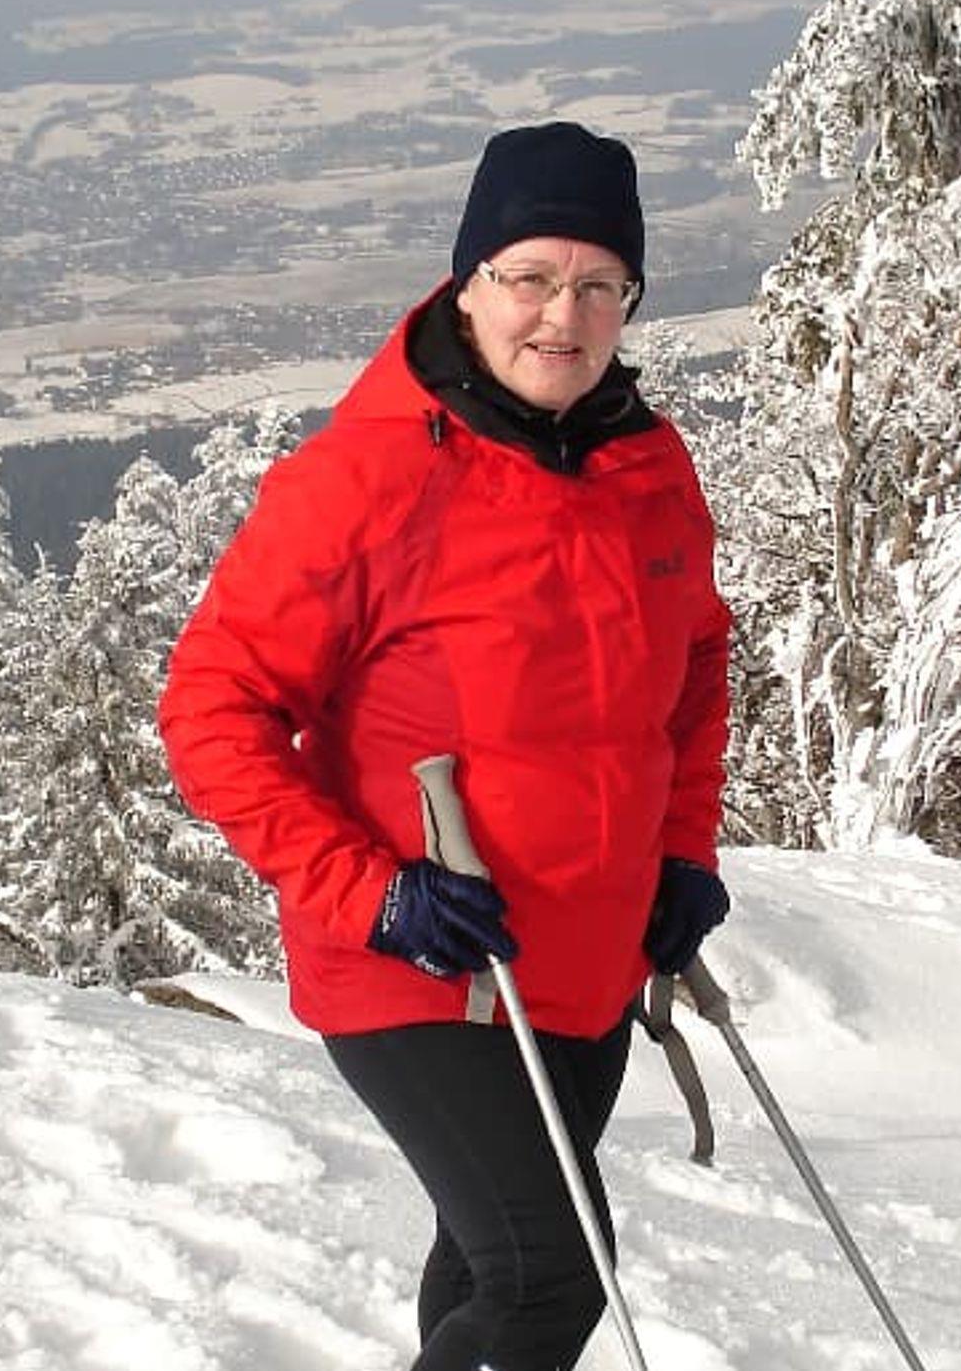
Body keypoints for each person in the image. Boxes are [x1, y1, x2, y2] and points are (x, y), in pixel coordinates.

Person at [159, 121, 732, 1371]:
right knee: (548, 1278)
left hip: (583, 957)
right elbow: (210, 707)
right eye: (531, 276)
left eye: (600, 285)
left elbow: (693, 668)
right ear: (468, 282)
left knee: (487, 1267)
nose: (563, 316)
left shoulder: (645, 466)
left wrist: (681, 853)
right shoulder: (362, 479)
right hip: (422, 953)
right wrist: (368, 892)